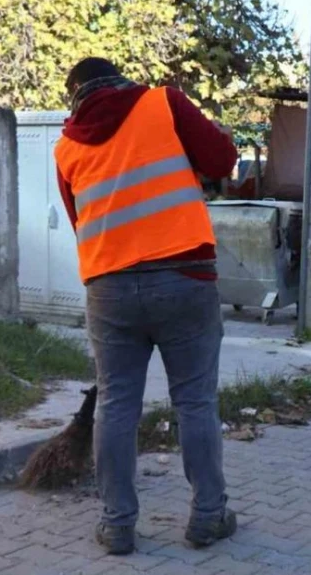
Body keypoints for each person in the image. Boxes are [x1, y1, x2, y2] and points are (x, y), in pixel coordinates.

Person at [54, 57, 238, 555]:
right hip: (183, 279)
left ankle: (117, 525)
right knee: (195, 402)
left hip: (109, 289)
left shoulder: (66, 146)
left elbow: (80, 220)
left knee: (115, 407)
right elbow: (223, 160)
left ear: (77, 96)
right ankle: (208, 516)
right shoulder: (163, 103)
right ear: (119, 78)